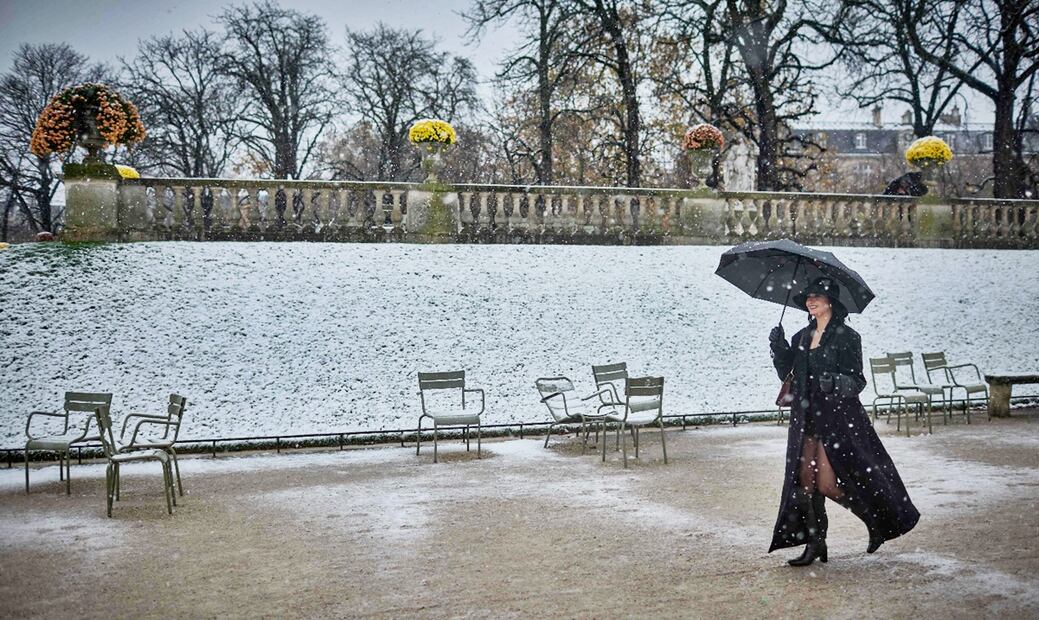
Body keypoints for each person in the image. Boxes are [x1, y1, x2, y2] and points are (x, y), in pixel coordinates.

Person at [767, 276, 920, 566]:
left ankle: (875, 522)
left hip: (837, 419)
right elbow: (788, 374)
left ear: (831, 302)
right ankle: (816, 544)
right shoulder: (801, 336)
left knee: (825, 483)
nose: (811, 301)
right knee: (804, 484)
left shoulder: (848, 337)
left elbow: (858, 381)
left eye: (817, 296)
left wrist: (835, 382)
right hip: (805, 417)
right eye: (808, 297)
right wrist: (779, 348)